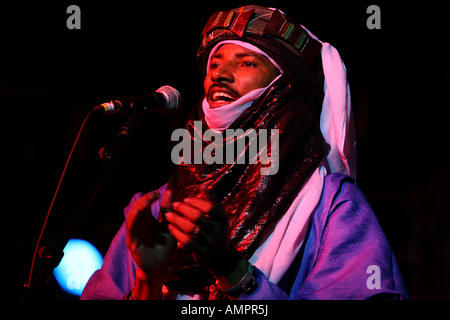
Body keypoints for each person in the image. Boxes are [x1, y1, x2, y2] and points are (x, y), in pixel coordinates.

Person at [81, 5, 408, 300]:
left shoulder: (330, 206)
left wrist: (230, 268)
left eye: (247, 62)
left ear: (284, 87)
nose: (219, 75)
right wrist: (147, 282)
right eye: (215, 64)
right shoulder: (156, 211)